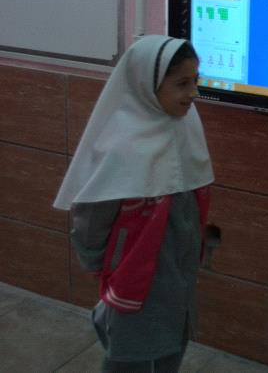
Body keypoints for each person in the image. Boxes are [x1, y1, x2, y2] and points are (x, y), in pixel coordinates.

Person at [53, 35, 214, 373]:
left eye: (195, 81)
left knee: (171, 345)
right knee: (129, 356)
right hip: (135, 279)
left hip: (177, 276)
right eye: (182, 84)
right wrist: (102, 266)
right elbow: (91, 219)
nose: (194, 93)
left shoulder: (186, 126)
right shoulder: (121, 145)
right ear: (147, 85)